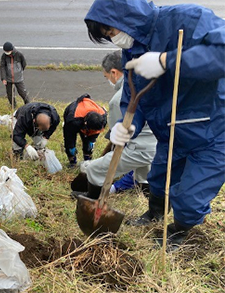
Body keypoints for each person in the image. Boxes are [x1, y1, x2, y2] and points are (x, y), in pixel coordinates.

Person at [85, 0, 225, 249]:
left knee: (190, 198)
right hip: (171, 131)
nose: (114, 39)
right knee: (158, 180)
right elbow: (133, 95)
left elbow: (221, 54)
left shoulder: (187, 19)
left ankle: (179, 230)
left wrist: (166, 60)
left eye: (111, 31)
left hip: (213, 131)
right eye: (108, 36)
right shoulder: (133, 50)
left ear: (125, 18)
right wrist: (128, 125)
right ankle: (155, 214)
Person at [79, 51, 157, 197]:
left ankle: (93, 200)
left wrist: (104, 161)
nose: (108, 79)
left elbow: (119, 139)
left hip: (138, 149)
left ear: (114, 73)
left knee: (94, 169)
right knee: (144, 175)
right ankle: (151, 206)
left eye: (106, 76)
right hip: (155, 146)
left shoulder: (119, 99)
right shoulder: (143, 86)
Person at [63, 93, 107, 167]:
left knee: (89, 144)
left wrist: (89, 145)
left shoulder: (103, 117)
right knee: (70, 147)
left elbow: (93, 136)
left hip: (88, 119)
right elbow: (68, 137)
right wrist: (70, 151)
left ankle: (87, 160)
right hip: (75, 119)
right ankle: (72, 162)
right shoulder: (73, 120)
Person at [0, 42, 30, 108]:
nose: (6, 52)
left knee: (22, 92)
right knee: (10, 94)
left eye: (8, 51)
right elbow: (2, 67)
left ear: (11, 49)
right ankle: (13, 105)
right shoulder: (4, 56)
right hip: (8, 79)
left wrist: (19, 72)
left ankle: (28, 105)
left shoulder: (19, 55)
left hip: (18, 78)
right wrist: (3, 78)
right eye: (5, 51)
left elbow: (24, 64)